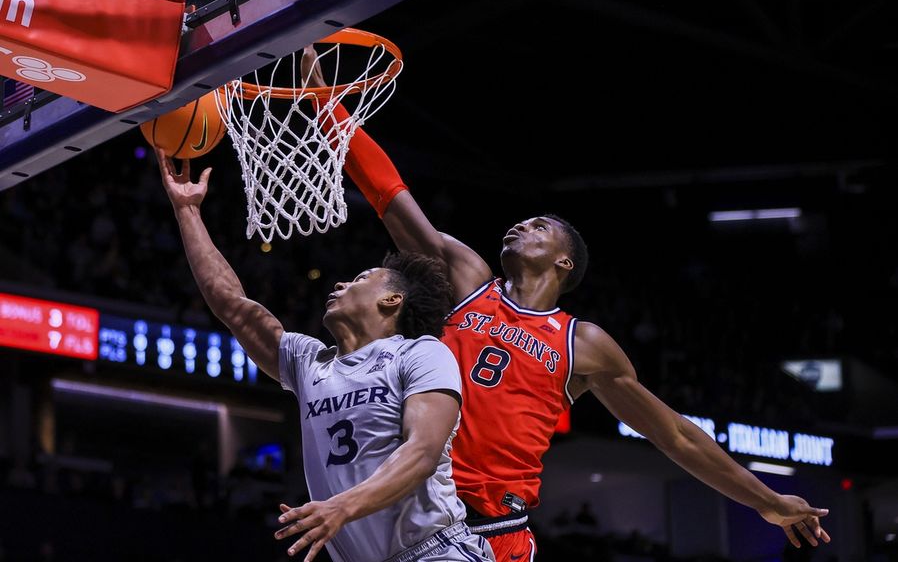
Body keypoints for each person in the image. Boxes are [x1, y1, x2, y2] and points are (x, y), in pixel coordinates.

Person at [300, 48, 833, 561]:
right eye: (521, 222)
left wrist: (766, 501)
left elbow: (672, 434)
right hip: (416, 508)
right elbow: (389, 193)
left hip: (494, 527)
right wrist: (329, 107)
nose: (520, 225)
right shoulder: (468, 280)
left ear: (564, 264)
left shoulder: (582, 343)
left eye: (539, 227)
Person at [156, 149, 494, 562]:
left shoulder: (422, 353)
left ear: (392, 299)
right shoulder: (309, 362)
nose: (339, 284)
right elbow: (232, 306)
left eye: (360, 279)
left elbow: (422, 452)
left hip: (436, 551)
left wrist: (342, 506)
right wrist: (187, 210)